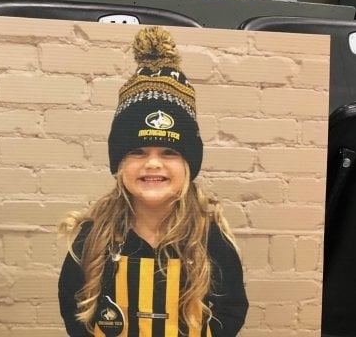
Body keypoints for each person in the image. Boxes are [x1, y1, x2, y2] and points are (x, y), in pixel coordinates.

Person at [58, 26, 248, 337]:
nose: (153, 163)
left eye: (169, 151)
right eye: (138, 151)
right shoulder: (92, 239)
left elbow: (232, 310)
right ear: (119, 163)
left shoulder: (210, 240)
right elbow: (72, 307)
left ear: (189, 164)